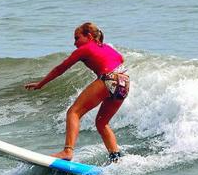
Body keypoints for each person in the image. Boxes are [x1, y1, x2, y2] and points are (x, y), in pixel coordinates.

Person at [25, 22, 129, 163]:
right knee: (102, 123)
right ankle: (116, 158)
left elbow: (60, 68)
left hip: (109, 78)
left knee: (73, 112)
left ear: (89, 36)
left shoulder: (85, 49)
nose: (75, 43)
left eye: (77, 38)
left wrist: (41, 84)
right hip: (124, 82)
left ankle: (67, 151)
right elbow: (121, 59)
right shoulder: (107, 47)